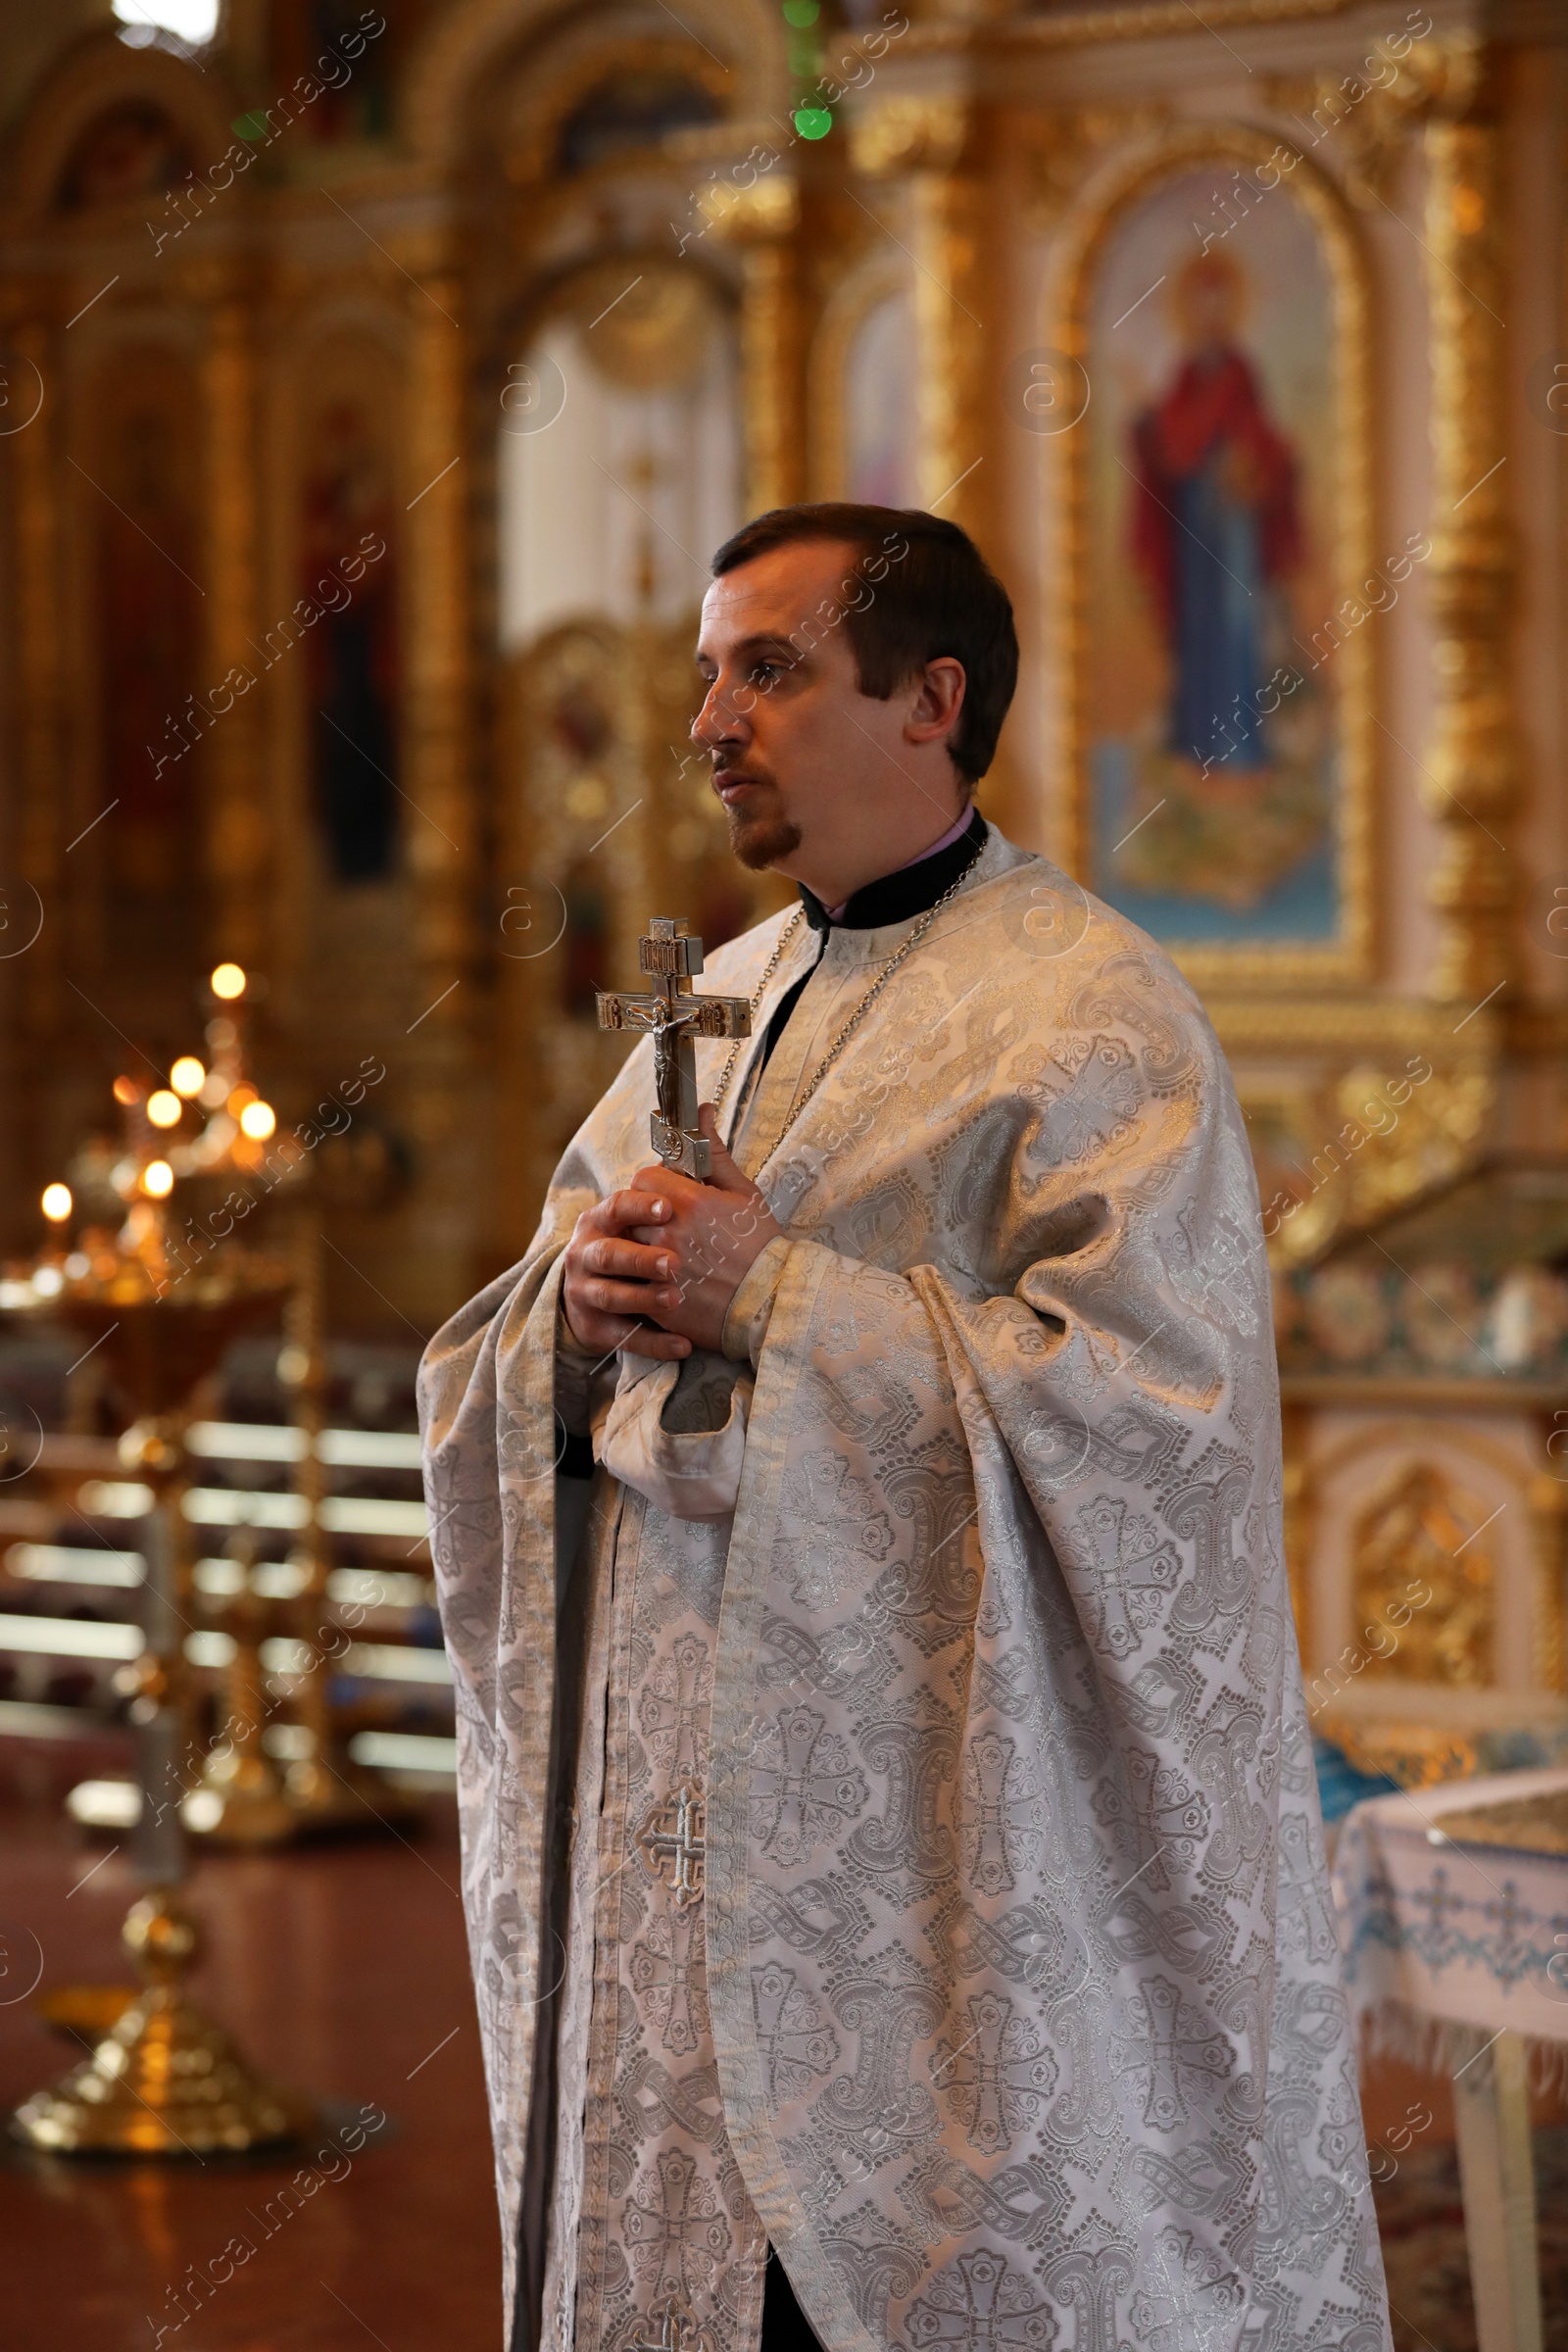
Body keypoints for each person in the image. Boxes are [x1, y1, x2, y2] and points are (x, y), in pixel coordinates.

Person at [419, 504, 1390, 2352]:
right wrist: (578, 1313)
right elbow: (515, 1361)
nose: (710, 720)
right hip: (685, 1856)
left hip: (940, 1870)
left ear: (929, 699)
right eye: (707, 674)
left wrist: (774, 1299)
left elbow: (1153, 1428)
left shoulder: (1090, 1016)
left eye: (767, 671)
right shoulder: (711, 1000)